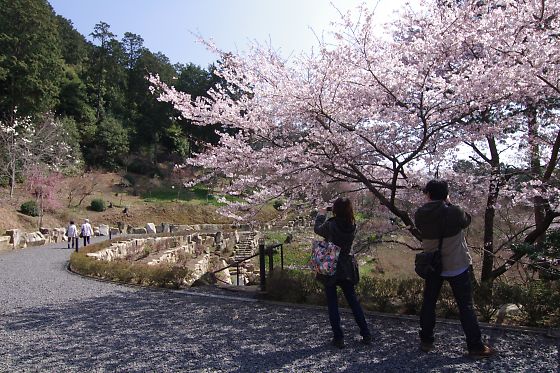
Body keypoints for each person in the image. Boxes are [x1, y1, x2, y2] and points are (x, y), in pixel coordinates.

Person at [415, 179, 496, 358]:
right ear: (446, 194)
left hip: (433, 265)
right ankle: (475, 346)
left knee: (429, 303)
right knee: (466, 306)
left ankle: (426, 341)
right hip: (457, 264)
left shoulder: (420, 214)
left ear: (428, 194)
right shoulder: (454, 212)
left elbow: (420, 227)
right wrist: (449, 203)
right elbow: (466, 220)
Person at [314, 197, 371, 349]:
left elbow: (317, 229)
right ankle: (366, 333)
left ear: (335, 209)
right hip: (346, 266)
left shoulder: (331, 225)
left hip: (330, 265)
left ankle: (338, 338)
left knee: (332, 302)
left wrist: (321, 214)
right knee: (353, 300)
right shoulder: (352, 225)